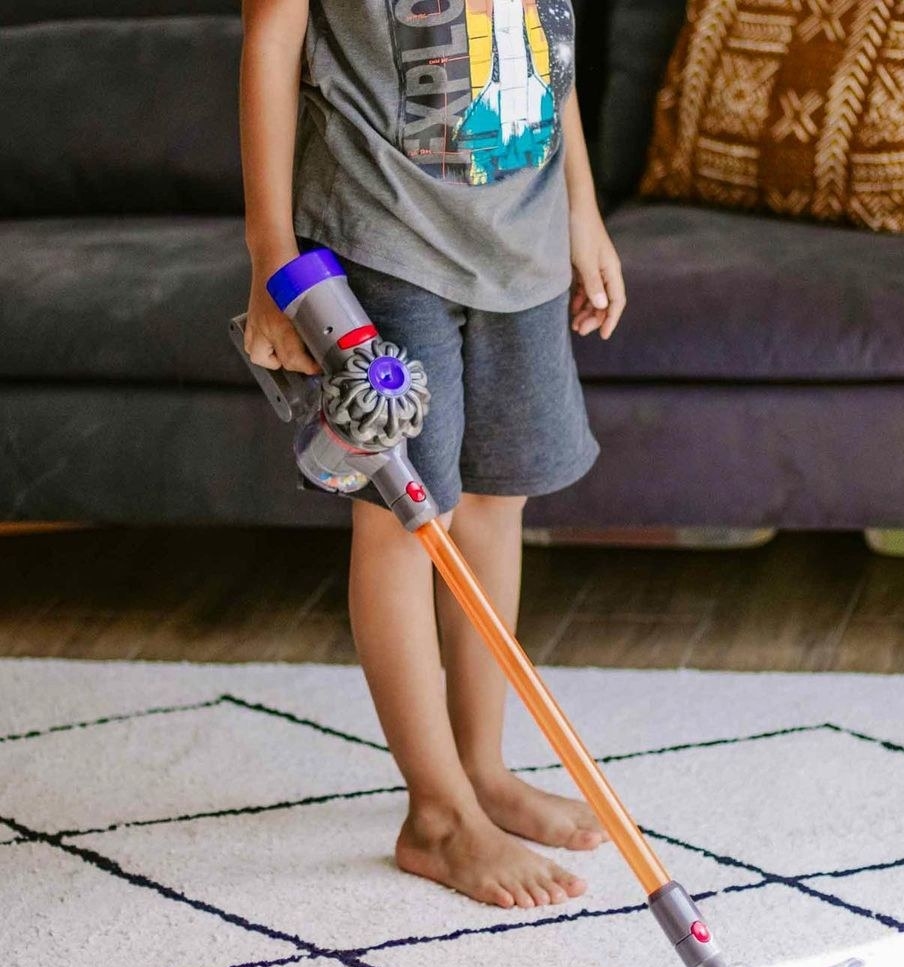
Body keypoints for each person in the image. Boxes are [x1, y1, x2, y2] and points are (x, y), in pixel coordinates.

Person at [239, 0, 626, 909]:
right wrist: (270, 258)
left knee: (497, 505)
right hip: (385, 238)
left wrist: (582, 206)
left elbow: (545, 43)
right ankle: (438, 817)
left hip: (521, 245)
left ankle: (482, 772)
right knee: (409, 523)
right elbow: (270, 41)